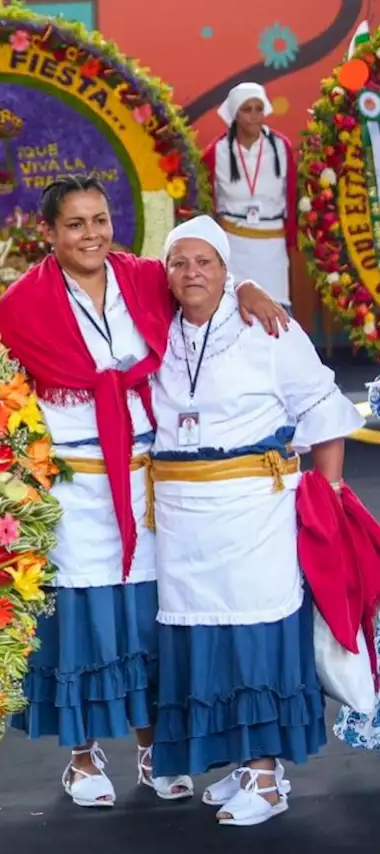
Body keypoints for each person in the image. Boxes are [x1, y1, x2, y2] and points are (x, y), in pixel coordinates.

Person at [0, 175, 288, 809]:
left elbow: (198, 275)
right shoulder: (20, 305)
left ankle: (157, 747)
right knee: (88, 625)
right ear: (48, 232)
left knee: (151, 620)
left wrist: (251, 287)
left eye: (99, 219)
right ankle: (82, 755)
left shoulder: (142, 277)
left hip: (149, 482)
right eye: (75, 224)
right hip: (73, 489)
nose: (91, 233)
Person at [148, 215, 364, 826]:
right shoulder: (158, 331)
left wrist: (332, 492)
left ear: (226, 269)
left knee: (256, 638)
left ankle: (267, 776)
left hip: (253, 514)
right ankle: (239, 764)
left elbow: (322, 407)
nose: (192, 273)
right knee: (204, 640)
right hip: (183, 522)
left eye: (205, 262)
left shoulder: (268, 329)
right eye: (180, 262)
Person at [201, 83, 298, 307]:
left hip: (271, 244)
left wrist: (292, 238)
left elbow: (291, 195)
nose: (254, 116)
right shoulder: (218, 151)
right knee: (233, 305)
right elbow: (206, 198)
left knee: (276, 306)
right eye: (247, 110)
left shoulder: (280, 147)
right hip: (233, 243)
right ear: (235, 114)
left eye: (259, 109)